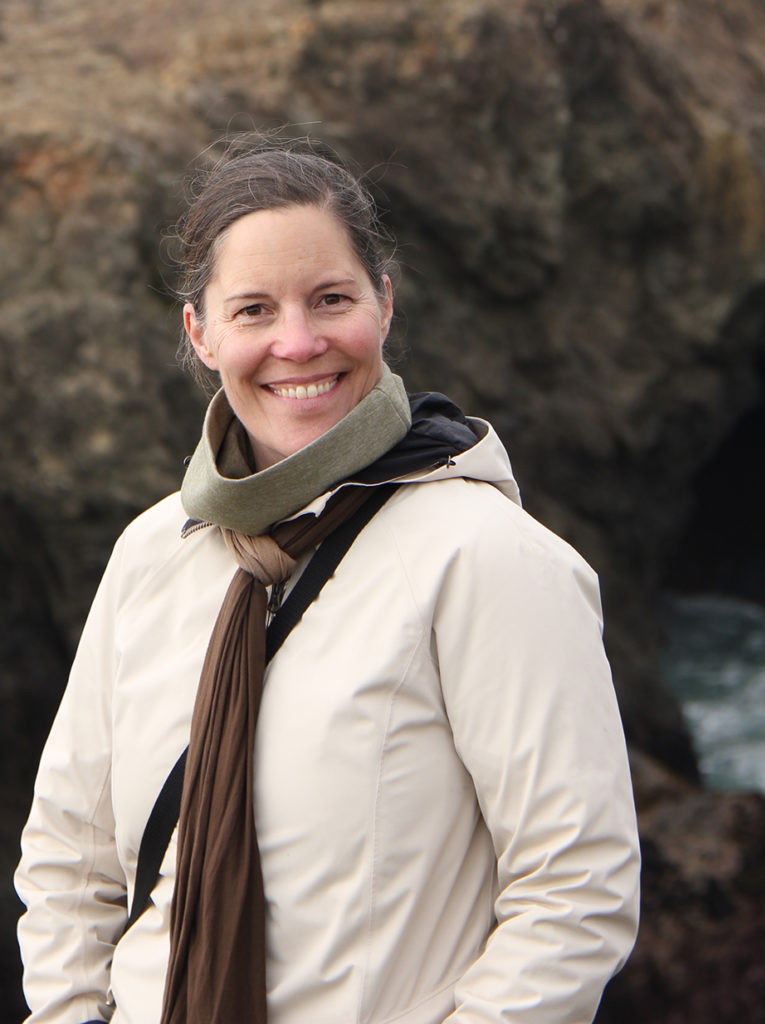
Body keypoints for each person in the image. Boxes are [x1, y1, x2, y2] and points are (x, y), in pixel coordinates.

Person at [15, 136, 640, 1024]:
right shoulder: (156, 552)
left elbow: (577, 890)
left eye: (331, 299)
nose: (298, 343)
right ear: (201, 333)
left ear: (384, 305)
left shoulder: (487, 558)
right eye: (255, 310)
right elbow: (68, 860)